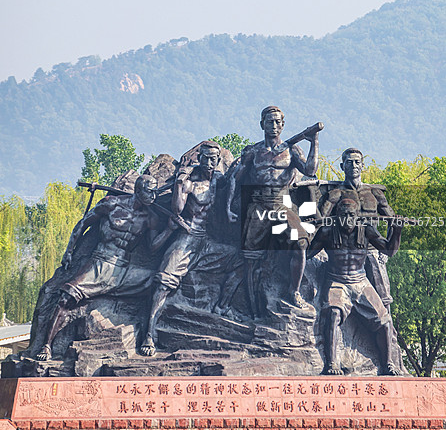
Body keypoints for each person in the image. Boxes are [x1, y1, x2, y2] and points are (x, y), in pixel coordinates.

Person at [36, 174, 171, 361]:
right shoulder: (112, 204)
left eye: (156, 192)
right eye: (150, 191)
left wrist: (170, 230)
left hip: (124, 269)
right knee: (65, 298)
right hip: (99, 262)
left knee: (160, 282)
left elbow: (152, 248)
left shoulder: (150, 217)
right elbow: (83, 223)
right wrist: (69, 252)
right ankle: (46, 346)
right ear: (138, 190)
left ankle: (148, 337)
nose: (154, 196)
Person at [140, 141, 242, 356]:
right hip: (186, 238)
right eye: (206, 158)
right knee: (163, 281)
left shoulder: (218, 180)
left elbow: (233, 185)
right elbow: (177, 209)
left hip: (207, 241)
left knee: (241, 259)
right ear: (199, 158)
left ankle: (222, 306)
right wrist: (179, 182)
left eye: (215, 158)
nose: (210, 162)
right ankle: (148, 332)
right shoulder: (189, 182)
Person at [226, 106, 321, 317]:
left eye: (278, 122)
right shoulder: (252, 151)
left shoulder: (292, 150)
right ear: (262, 124)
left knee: (300, 243)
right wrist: (228, 207)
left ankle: (293, 293)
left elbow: (311, 171)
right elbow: (236, 178)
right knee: (250, 259)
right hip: (257, 203)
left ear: (283, 125)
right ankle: (251, 309)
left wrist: (314, 141)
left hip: (282, 203)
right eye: (270, 121)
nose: (274, 125)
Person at [306, 196, 403, 376]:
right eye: (343, 214)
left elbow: (389, 250)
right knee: (333, 313)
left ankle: (388, 364)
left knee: (386, 322)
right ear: (337, 215)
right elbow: (308, 253)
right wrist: (300, 237)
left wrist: (396, 230)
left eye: (351, 214)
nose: (348, 218)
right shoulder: (327, 232)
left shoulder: (366, 230)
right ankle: (331, 364)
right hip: (336, 281)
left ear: (357, 214)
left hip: (361, 282)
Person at [319, 148, 395, 309]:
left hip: (372, 249)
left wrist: (386, 249)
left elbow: (392, 220)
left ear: (362, 166)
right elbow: (321, 221)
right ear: (342, 166)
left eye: (357, 162)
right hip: (344, 252)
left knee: (383, 298)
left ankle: (388, 333)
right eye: (349, 162)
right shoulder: (336, 194)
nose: (353, 165)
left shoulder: (375, 193)